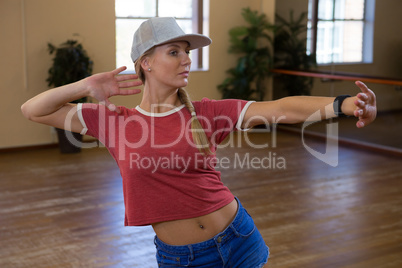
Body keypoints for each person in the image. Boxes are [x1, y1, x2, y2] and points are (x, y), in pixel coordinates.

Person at [21, 17, 376, 267]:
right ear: (145, 62)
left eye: (187, 52)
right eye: (174, 51)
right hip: (183, 259)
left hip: (239, 238)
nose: (187, 59)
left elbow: (280, 109)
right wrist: (85, 86)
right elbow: (33, 110)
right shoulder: (115, 121)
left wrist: (344, 105)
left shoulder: (207, 113)